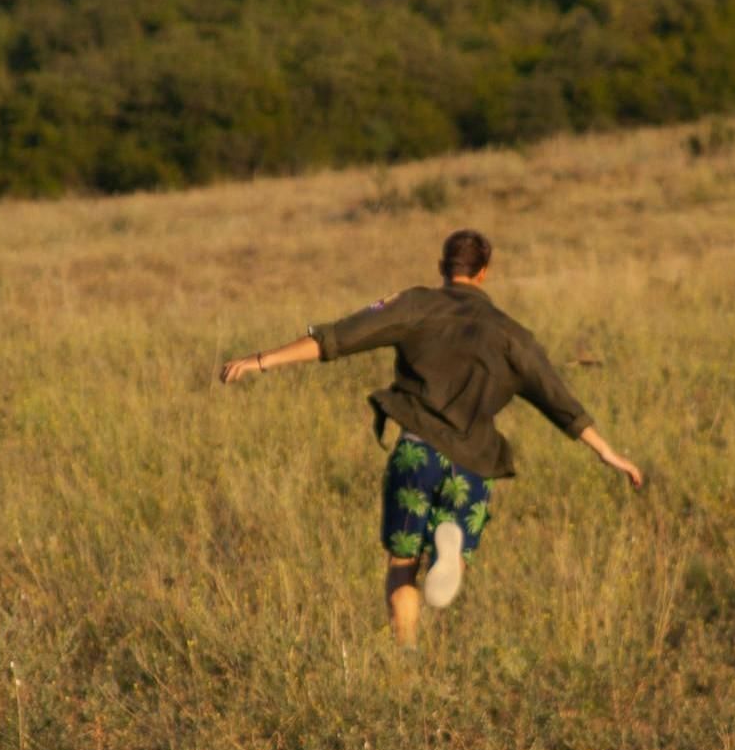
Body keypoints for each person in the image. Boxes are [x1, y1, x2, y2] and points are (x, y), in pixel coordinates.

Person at [219, 229, 643, 646]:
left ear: (442, 267)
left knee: (402, 565)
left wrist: (261, 360)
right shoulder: (513, 335)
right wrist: (607, 452)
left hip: (416, 453)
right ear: (484, 273)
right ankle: (451, 549)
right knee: (452, 536)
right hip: (473, 463)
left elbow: (339, 338)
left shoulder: (416, 304)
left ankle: (406, 658)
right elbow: (557, 398)